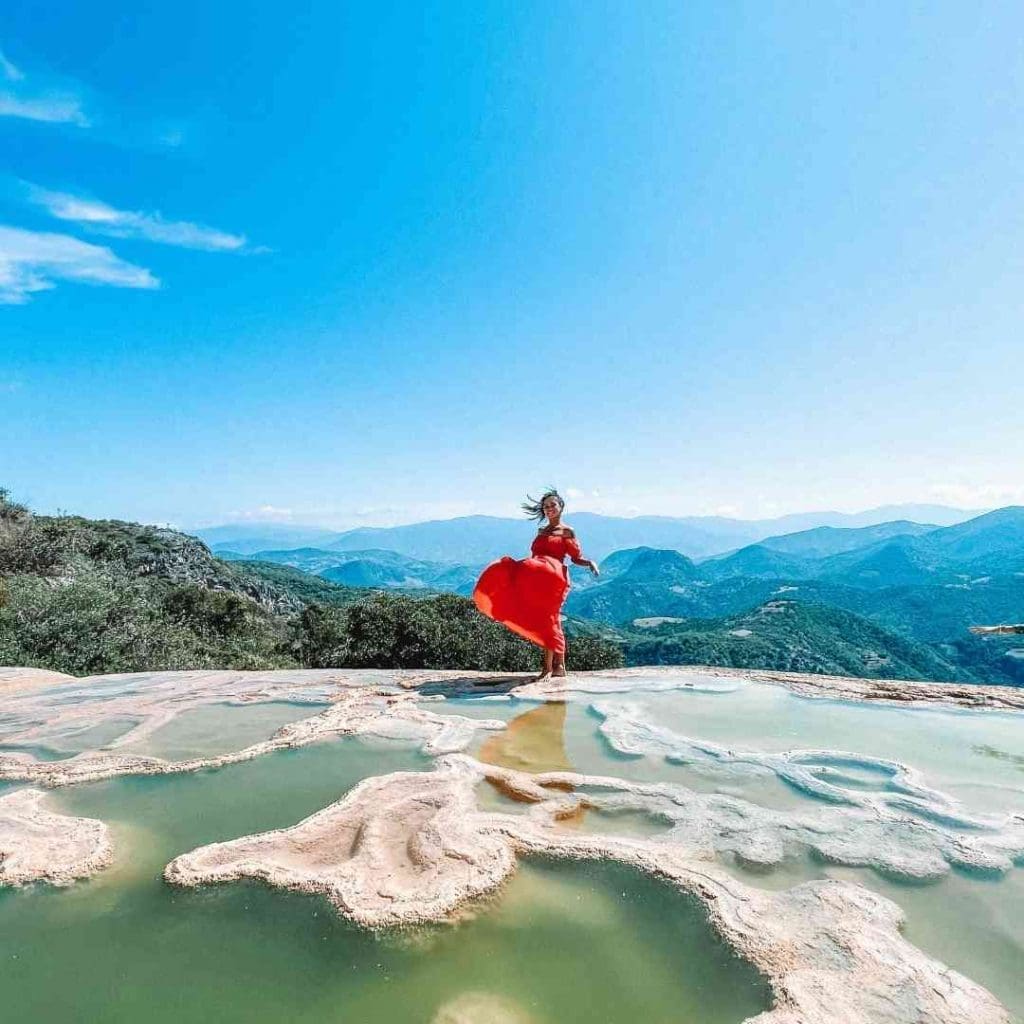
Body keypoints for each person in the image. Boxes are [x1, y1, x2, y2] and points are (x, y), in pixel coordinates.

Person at [473, 489, 599, 681]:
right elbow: (536, 556)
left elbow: (575, 558)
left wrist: (590, 563)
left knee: (547, 619)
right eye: (546, 507)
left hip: (554, 579)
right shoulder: (542, 531)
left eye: (552, 505)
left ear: (561, 507)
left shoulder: (567, 531)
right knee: (549, 619)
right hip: (538, 578)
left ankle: (548, 668)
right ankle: (560, 667)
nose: (549, 509)